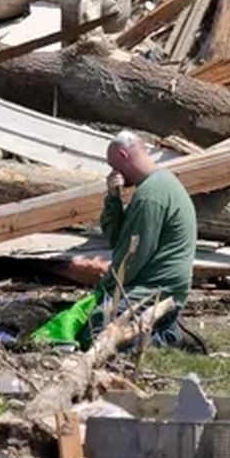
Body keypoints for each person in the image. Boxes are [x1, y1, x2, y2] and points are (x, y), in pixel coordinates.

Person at [95, 131, 198, 344]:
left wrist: (108, 287)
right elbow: (117, 239)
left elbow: (133, 255)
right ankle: (161, 327)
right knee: (99, 314)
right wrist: (114, 199)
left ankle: (166, 337)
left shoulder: (150, 195)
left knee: (97, 326)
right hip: (156, 284)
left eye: (113, 165)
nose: (114, 172)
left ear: (123, 155)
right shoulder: (155, 185)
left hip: (158, 287)